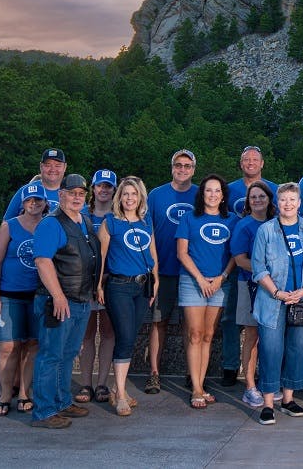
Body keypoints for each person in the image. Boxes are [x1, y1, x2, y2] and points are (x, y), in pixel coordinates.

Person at [29, 173, 102, 429]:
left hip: (82, 300)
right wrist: (58, 296)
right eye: (71, 193)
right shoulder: (51, 224)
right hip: (58, 301)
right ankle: (44, 411)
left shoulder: (85, 221)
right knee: (51, 355)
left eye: (81, 194)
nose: (76, 198)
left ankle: (62, 402)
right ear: (60, 195)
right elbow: (42, 260)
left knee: (68, 353)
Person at [251, 182, 303, 425]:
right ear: (277, 203)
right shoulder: (266, 231)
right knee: (271, 350)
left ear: (299, 203)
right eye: (284, 200)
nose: (288, 204)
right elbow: (258, 268)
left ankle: (289, 399)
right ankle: (269, 403)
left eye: (293, 199)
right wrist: (278, 293)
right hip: (272, 300)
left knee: (298, 349)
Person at [175, 174, 238, 409]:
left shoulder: (232, 220)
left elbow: (235, 254)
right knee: (194, 333)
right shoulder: (190, 219)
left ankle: (200, 382)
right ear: (202, 194)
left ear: (223, 196)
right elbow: (182, 253)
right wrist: (200, 279)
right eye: (208, 191)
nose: (213, 195)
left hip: (220, 283)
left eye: (217, 191)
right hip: (193, 282)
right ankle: (197, 388)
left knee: (209, 334)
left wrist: (221, 278)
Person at [97, 175, 157, 417]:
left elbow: (153, 255)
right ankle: (120, 394)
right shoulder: (110, 223)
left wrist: (156, 283)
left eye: (134, 194)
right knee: (123, 337)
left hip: (142, 287)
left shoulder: (146, 222)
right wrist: (99, 286)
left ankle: (117, 387)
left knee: (131, 337)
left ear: (140, 197)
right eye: (125, 194)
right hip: (118, 286)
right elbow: (101, 258)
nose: (129, 198)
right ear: (119, 197)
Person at [0, 180, 48, 416]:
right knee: (6, 346)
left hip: (38, 295)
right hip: (9, 295)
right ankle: (4, 394)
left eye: (38, 200)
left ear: (44, 204)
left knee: (33, 344)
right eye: (30, 200)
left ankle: (24, 391)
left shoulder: (48, 226)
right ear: (23, 203)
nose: (34, 204)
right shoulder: (9, 226)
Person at [144, 149, 199, 394]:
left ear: (193, 170)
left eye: (188, 166)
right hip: (163, 270)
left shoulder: (200, 194)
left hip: (191, 272)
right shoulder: (156, 195)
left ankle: (193, 373)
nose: (183, 169)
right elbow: (148, 234)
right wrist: (151, 270)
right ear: (172, 167)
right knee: (158, 322)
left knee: (191, 325)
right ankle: (154, 373)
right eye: (179, 165)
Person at [222, 144, 276, 386]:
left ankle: (267, 372)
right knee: (232, 319)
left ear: (262, 163)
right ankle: (230, 366)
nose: (251, 163)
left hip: (272, 274)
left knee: (266, 327)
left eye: (255, 159)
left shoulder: (273, 189)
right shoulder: (229, 190)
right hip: (235, 264)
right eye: (246, 160)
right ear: (241, 163)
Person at [230, 180, 275, 409]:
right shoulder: (244, 225)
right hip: (250, 285)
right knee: (252, 337)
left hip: (275, 290)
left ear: (269, 199)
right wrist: (265, 273)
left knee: (272, 338)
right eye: (253, 197)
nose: (257, 200)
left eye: (262, 196)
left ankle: (268, 382)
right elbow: (239, 260)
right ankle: (249, 386)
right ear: (248, 201)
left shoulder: (277, 223)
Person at [75, 169, 117, 405]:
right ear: (93, 188)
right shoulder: (81, 215)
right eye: (100, 186)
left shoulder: (119, 216)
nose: (104, 190)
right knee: (87, 334)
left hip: (112, 280)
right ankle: (85, 383)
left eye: (108, 186)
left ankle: (102, 383)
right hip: (85, 280)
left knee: (109, 333)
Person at [2, 148, 67, 220]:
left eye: (57, 165)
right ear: (41, 166)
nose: (52, 169)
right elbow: (6, 223)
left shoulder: (73, 193)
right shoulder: (25, 191)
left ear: (65, 167)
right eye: (48, 165)